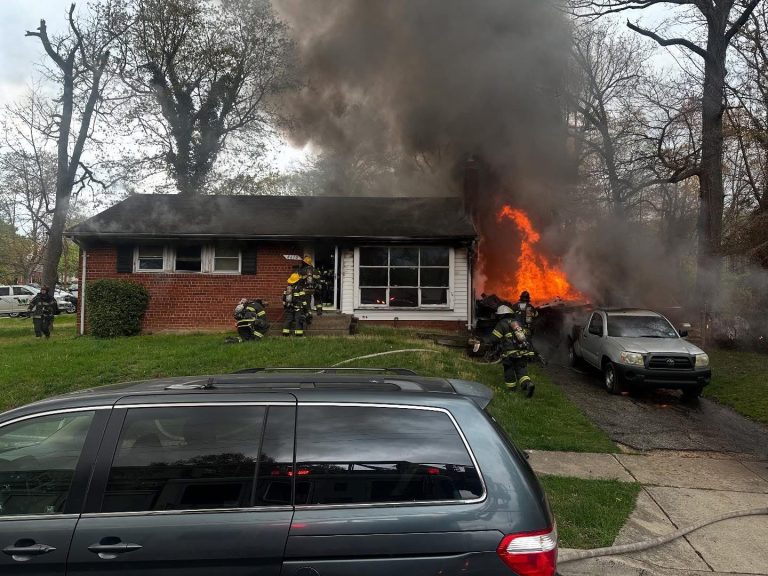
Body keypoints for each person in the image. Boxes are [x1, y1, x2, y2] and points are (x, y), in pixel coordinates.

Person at [487, 304, 536, 397]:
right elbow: (526, 337)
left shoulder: (501, 323)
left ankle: (512, 391)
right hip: (522, 352)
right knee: (522, 371)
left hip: (509, 354)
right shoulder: (518, 323)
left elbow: (494, 338)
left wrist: (486, 341)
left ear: (501, 315)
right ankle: (527, 384)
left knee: (509, 371)